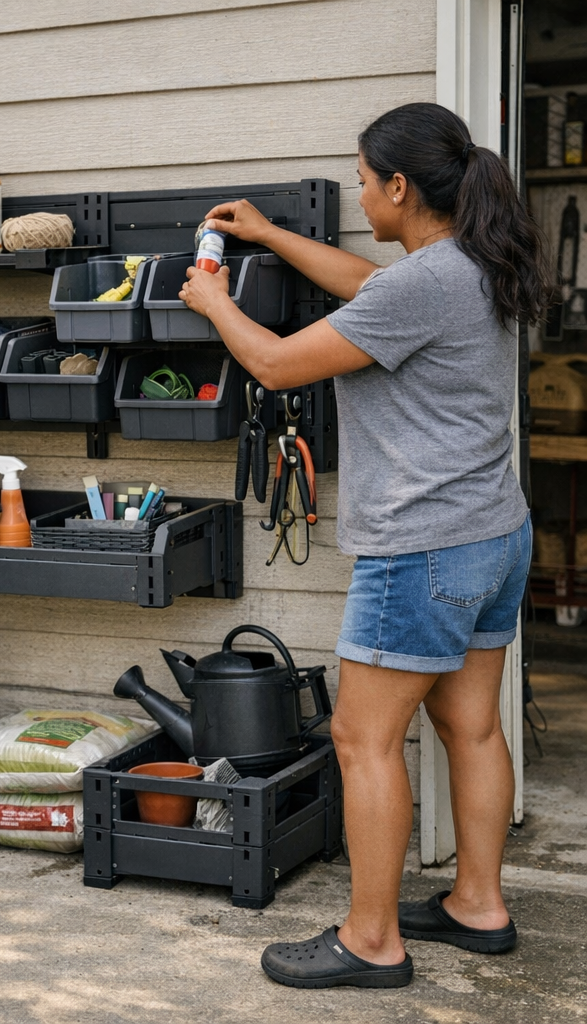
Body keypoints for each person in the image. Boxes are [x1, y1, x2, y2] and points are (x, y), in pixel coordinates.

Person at [179, 102, 552, 989]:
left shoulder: (422, 284)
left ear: (398, 186)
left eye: (361, 177)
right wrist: (271, 232)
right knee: (470, 728)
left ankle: (372, 940)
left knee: (362, 738)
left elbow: (272, 364)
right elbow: (365, 286)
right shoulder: (472, 264)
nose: (357, 190)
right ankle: (477, 904)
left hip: (422, 548)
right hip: (493, 531)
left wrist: (214, 302)